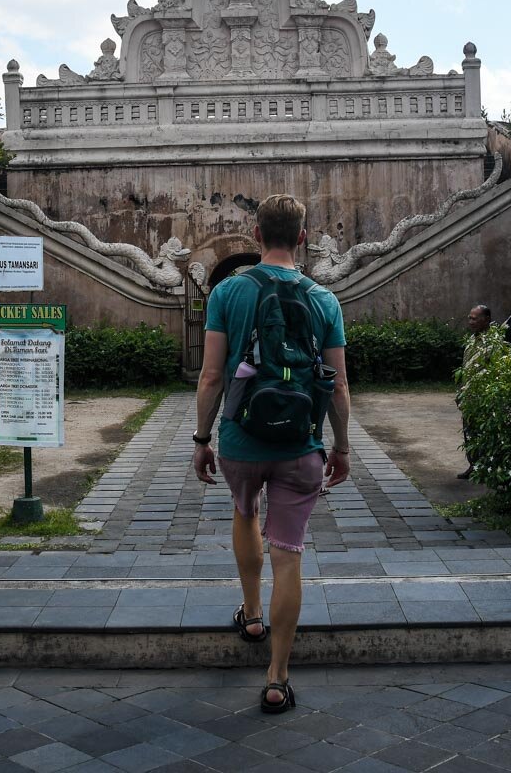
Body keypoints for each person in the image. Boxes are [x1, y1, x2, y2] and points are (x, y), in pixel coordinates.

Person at [192, 193, 350, 714]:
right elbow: (339, 384)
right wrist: (341, 446)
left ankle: (252, 613)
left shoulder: (228, 292)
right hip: (300, 442)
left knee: (243, 512)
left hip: (240, 437)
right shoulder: (324, 300)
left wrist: (201, 438)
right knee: (289, 556)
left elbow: (212, 375)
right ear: (302, 238)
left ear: (255, 236)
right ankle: (278, 676)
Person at [456, 304, 492, 480]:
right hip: (468, 394)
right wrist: (460, 391)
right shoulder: (472, 340)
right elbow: (465, 368)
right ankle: (474, 465)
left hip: (483, 395)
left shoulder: (493, 341)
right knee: (469, 432)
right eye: (469, 318)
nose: (470, 321)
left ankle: (487, 468)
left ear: (486, 319)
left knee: (484, 433)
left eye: (474, 318)